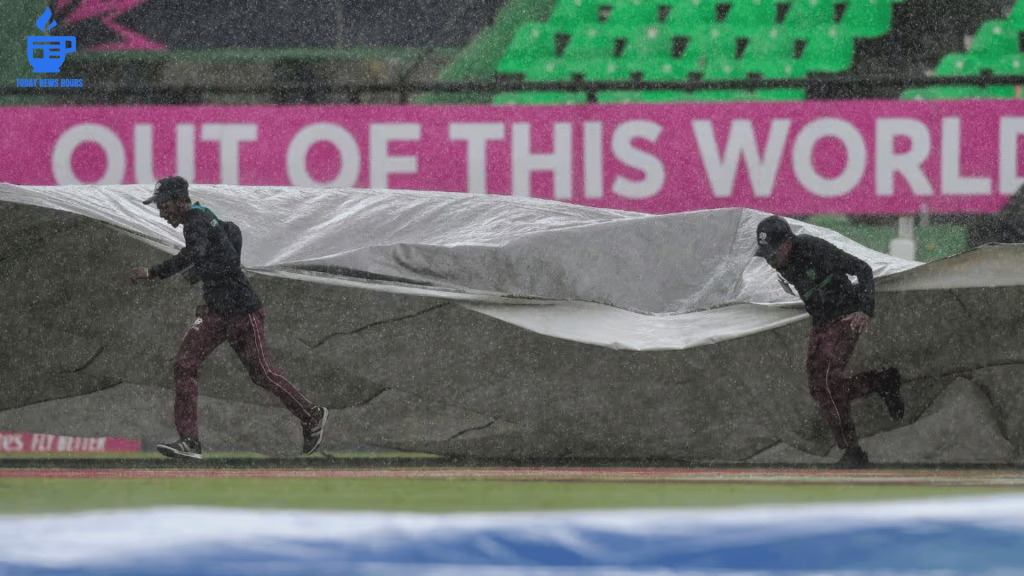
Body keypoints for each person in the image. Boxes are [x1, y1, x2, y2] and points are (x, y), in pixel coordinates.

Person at [128, 176, 328, 459]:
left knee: (262, 374)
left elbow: (196, 252)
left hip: (242, 312)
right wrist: (207, 274)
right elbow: (230, 234)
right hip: (217, 312)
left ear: (179, 201)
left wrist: (154, 272)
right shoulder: (203, 218)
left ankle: (311, 415)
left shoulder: (196, 219)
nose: (162, 213)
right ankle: (189, 442)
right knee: (186, 363)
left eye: (163, 205)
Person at [754, 215, 904, 469]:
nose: (770, 261)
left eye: (773, 254)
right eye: (765, 255)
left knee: (825, 381)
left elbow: (863, 269)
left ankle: (853, 452)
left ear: (789, 244)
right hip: (822, 322)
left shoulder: (815, 249)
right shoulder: (783, 265)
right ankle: (882, 382)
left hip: (845, 317)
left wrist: (864, 310)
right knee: (819, 388)